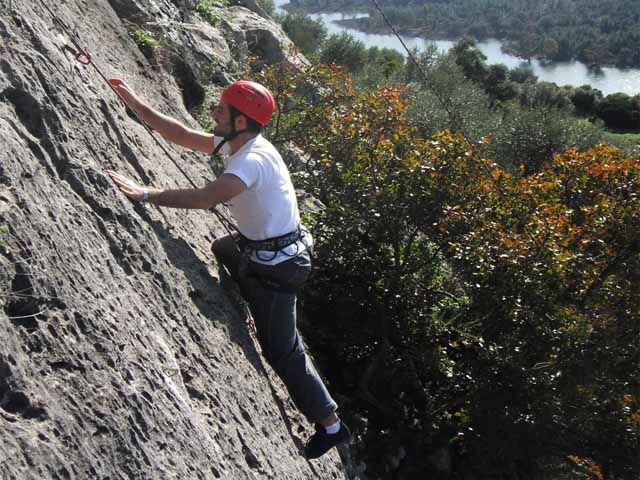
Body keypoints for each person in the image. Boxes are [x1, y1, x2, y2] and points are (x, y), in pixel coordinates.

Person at [106, 78, 350, 459]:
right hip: (268, 251)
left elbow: (206, 199)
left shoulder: (249, 162)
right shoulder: (242, 142)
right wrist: (135, 102)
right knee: (223, 247)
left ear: (240, 121)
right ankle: (250, 298)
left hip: (279, 267)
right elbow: (183, 135)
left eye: (222, 109)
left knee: (283, 350)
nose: (214, 113)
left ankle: (332, 425)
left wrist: (148, 194)